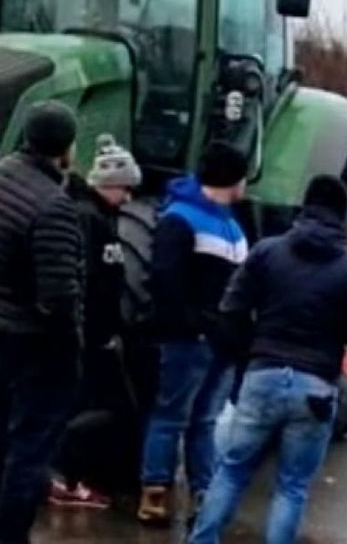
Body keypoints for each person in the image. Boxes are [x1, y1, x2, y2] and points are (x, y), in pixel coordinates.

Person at [187, 175, 347, 544]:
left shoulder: (267, 252)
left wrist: (247, 354)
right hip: (316, 389)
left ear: (305, 207)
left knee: (231, 472)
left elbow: (231, 310)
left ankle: (203, 540)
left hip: (262, 375)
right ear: (342, 216)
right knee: (292, 487)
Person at [0, 101, 84, 544]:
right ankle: (10, 536)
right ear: (64, 147)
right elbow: (59, 295)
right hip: (36, 342)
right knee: (30, 450)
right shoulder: (55, 207)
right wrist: (71, 343)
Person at [138, 142, 250, 525]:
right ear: (233, 179)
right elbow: (166, 279)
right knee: (173, 415)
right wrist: (193, 326)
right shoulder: (180, 220)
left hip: (220, 341)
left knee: (204, 420)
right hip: (191, 340)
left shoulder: (231, 224)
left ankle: (204, 493)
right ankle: (156, 491)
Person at [48, 134, 142, 509]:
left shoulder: (97, 217)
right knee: (90, 408)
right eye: (126, 189)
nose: (130, 198)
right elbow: (91, 280)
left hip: (92, 332)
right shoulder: (91, 221)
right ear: (110, 185)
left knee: (93, 406)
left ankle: (63, 474)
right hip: (88, 335)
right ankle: (63, 476)